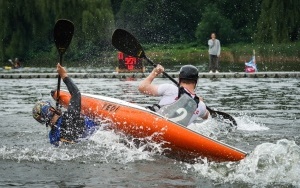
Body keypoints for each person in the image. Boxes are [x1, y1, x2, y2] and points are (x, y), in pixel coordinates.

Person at [32, 63, 99, 146]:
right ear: (51, 110)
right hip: (99, 135)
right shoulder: (69, 117)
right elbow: (76, 94)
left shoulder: (52, 137)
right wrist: (64, 75)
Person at [138, 64, 209, 126]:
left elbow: (142, 88)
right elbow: (207, 116)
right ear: (196, 81)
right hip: (174, 135)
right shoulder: (201, 105)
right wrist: (199, 102)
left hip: (154, 124)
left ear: (179, 79)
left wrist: (155, 72)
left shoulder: (170, 89)